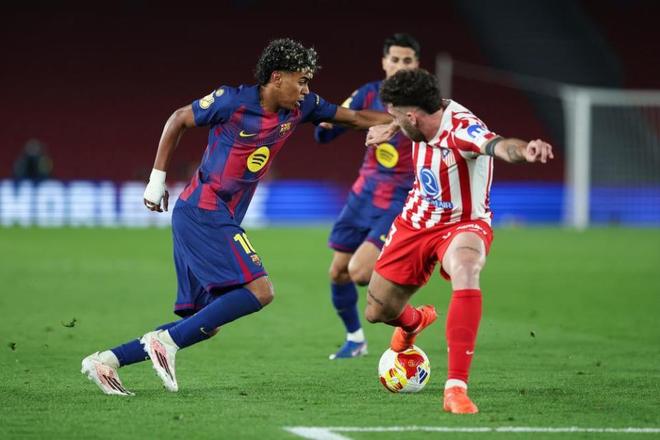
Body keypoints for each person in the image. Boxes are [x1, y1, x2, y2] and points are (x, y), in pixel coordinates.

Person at [80, 38, 393, 396]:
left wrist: (403, 121)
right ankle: (164, 343)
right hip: (203, 211)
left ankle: (107, 361)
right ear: (277, 77)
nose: (306, 89)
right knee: (261, 291)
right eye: (301, 80)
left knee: (205, 323)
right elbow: (179, 118)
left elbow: (355, 117)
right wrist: (156, 180)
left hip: (206, 216)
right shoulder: (232, 101)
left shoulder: (302, 107)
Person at [363, 69, 553, 414]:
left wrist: (525, 150)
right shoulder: (426, 111)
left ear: (412, 116)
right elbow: (415, 113)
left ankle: (455, 389)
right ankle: (414, 322)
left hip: (464, 223)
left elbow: (498, 145)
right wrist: (392, 125)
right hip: (416, 220)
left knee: (466, 268)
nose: (393, 122)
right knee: (378, 311)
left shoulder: (463, 130)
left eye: (395, 117)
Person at [314, 33, 419, 360]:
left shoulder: (425, 101)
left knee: (360, 272)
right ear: (384, 62)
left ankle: (412, 312)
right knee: (338, 272)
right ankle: (355, 340)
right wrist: (333, 125)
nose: (400, 66)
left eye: (407, 60)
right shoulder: (368, 93)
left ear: (417, 64)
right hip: (364, 193)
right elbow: (328, 130)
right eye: (395, 59)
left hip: (400, 197)